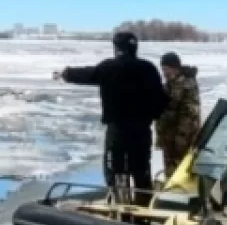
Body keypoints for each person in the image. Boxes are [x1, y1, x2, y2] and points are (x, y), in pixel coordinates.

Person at [53, 31, 168, 204]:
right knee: (141, 170)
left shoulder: (108, 67)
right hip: (141, 130)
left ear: (117, 48)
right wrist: (150, 115)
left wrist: (65, 73)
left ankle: (120, 206)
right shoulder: (148, 69)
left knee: (115, 169)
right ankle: (144, 209)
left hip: (117, 130)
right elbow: (161, 100)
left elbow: (87, 74)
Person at [155, 52, 202, 179]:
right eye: (163, 69)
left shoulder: (185, 85)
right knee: (172, 171)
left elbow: (186, 115)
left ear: (175, 68)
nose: (165, 73)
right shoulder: (172, 84)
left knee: (181, 172)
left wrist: (180, 140)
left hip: (181, 139)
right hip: (171, 137)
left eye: (167, 69)